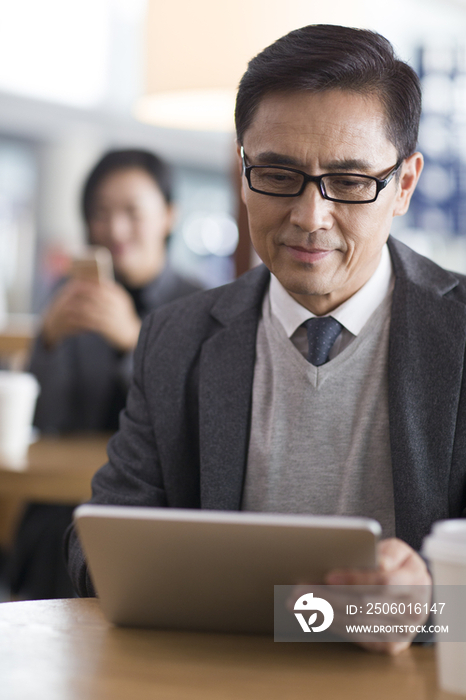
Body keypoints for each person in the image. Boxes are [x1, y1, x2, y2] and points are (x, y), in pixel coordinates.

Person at [66, 25, 464, 653]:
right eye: (278, 174)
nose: (310, 217)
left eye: (351, 181)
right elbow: (95, 554)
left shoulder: (459, 335)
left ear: (405, 185)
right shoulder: (178, 337)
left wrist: (420, 610)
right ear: (243, 168)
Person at [9, 149, 202, 599]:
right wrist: (50, 342)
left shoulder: (199, 303)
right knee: (52, 528)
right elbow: (48, 417)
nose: (114, 229)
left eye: (132, 212)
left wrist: (135, 341)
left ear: (168, 216)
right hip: (61, 499)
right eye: (100, 213)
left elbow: (195, 419)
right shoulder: (70, 295)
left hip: (154, 502)